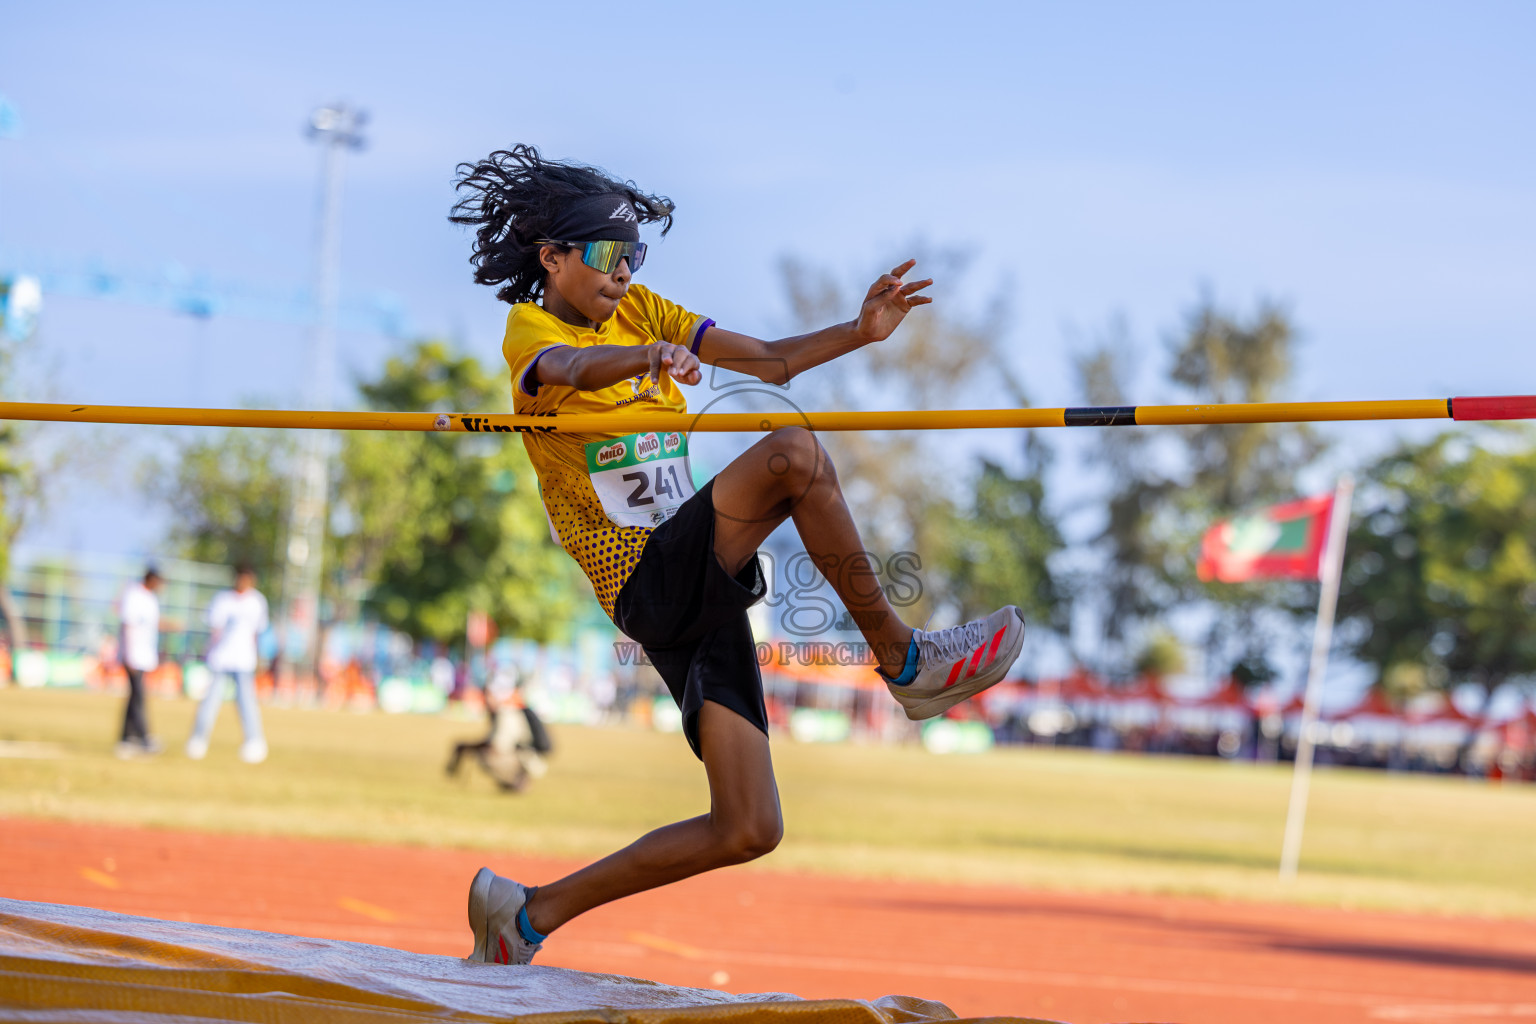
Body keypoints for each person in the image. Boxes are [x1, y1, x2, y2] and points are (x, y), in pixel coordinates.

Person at [450, 146, 1026, 965]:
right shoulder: (532, 328)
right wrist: (645, 359)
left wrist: (860, 334)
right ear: (553, 257)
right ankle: (906, 664)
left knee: (748, 825)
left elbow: (770, 360)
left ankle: (526, 917)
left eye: (634, 256)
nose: (623, 273)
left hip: (693, 582)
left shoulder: (642, 307)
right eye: (610, 256)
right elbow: (566, 368)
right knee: (791, 452)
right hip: (642, 575)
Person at [186, 564, 270, 764]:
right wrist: (207, 654)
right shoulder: (223, 599)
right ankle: (198, 739)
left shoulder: (257, 601)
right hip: (221, 659)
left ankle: (254, 741)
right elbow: (215, 630)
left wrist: (259, 658)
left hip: (244, 660)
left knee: (246, 703)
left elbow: (257, 633)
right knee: (210, 702)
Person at [446, 662, 553, 793]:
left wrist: (468, 748)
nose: (485, 699)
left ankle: (516, 782)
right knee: (486, 753)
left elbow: (497, 746)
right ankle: (514, 781)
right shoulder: (504, 711)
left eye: (487, 695)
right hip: (525, 756)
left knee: (487, 756)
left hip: (530, 760)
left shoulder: (506, 713)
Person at [115, 568, 164, 758]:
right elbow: (128, 625)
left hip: (144, 655)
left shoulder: (150, 598)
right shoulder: (134, 595)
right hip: (133, 655)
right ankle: (144, 737)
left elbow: (152, 624)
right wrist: (128, 654)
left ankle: (126, 738)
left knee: (134, 696)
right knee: (139, 696)